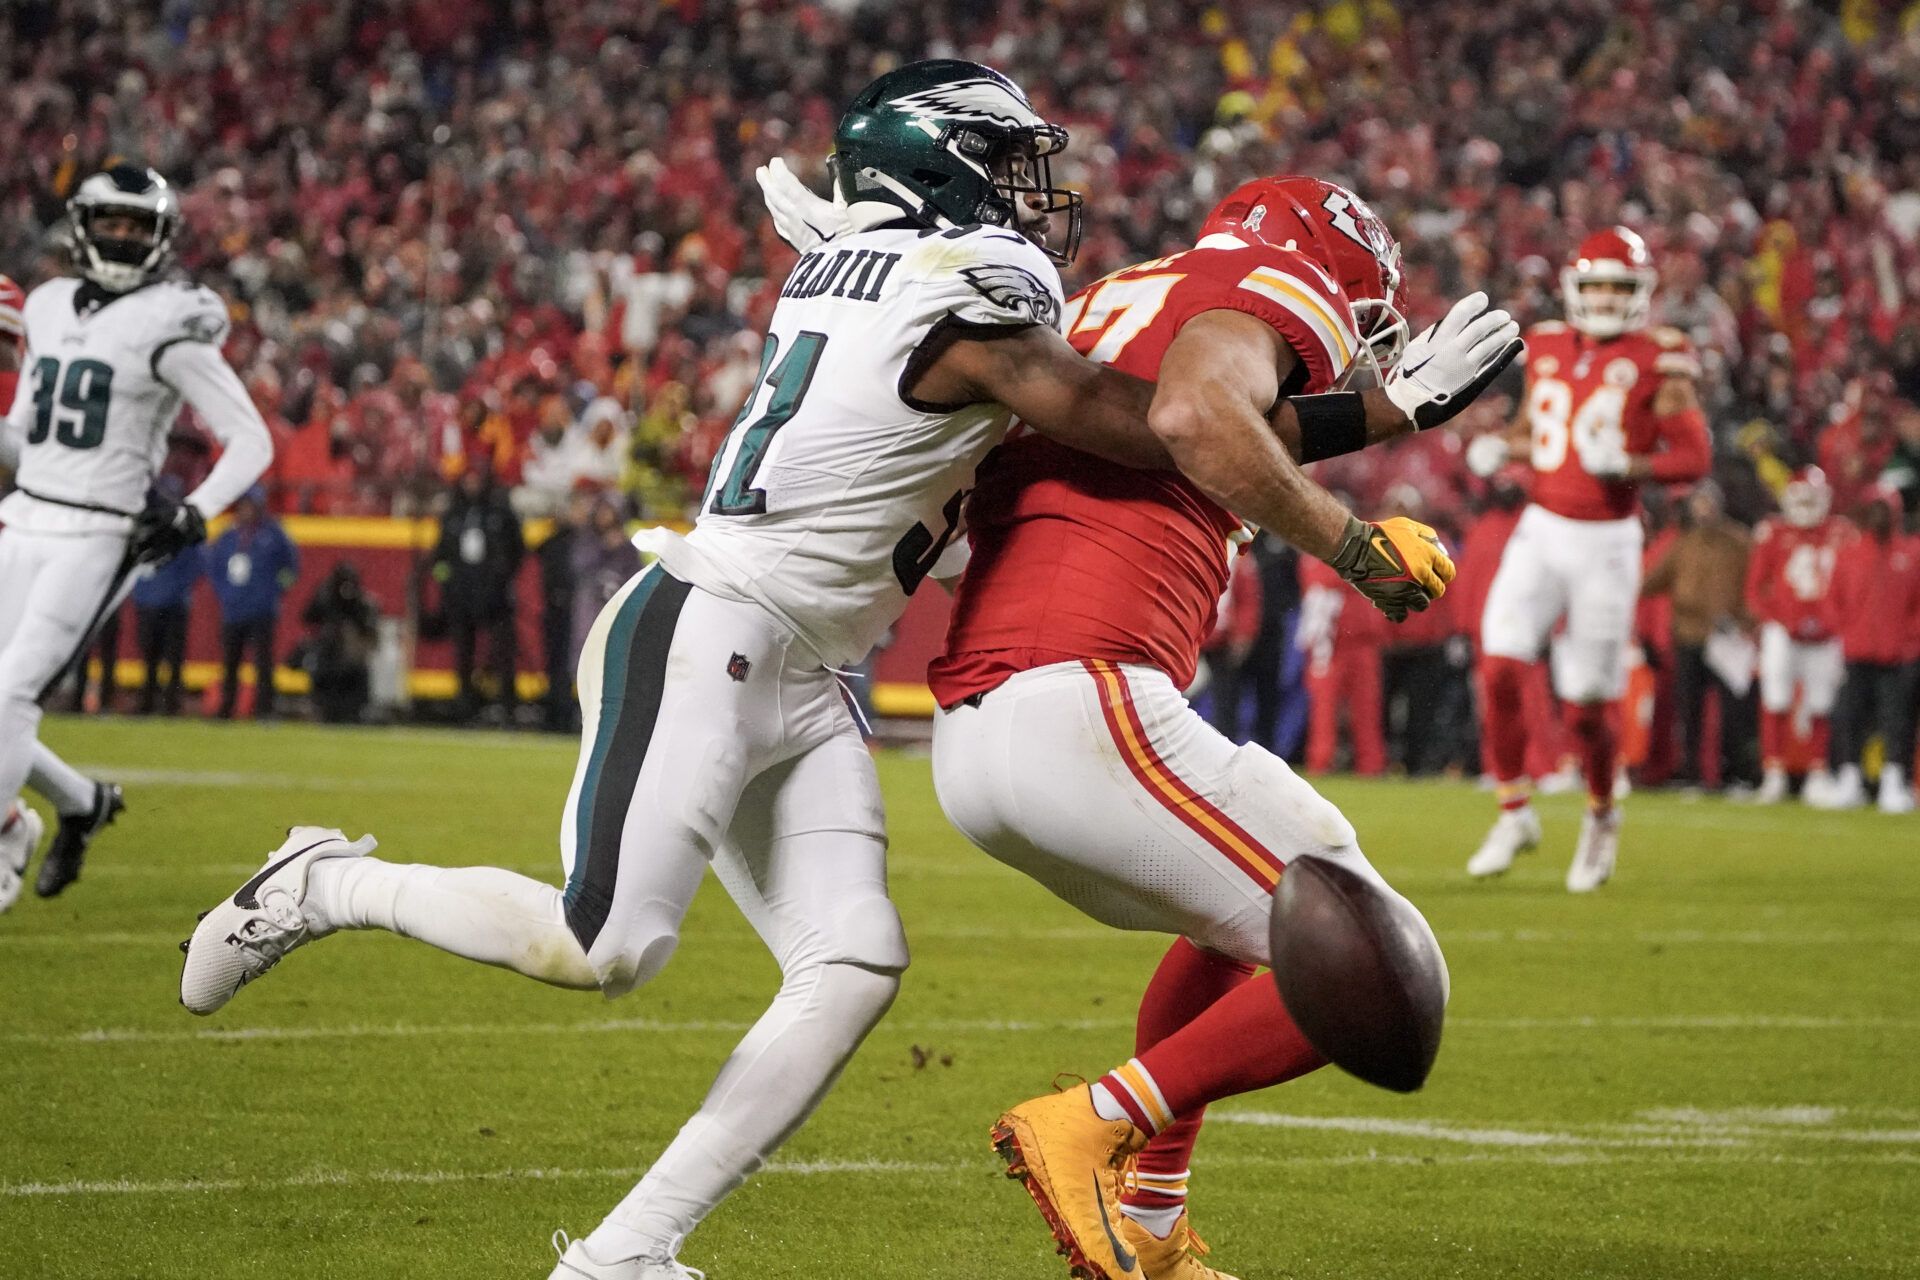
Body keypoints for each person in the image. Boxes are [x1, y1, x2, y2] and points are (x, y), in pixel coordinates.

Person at [179, 63, 1489, 1280]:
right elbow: (1149, 425)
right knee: (602, 944)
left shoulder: (891, 270)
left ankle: (624, 1254)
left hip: (806, 664)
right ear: (941, 170)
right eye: (1006, 164)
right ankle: (322, 881)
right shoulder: (963, 294)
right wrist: (1379, 419)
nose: (1035, 195)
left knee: (851, 963)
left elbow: (1101, 400)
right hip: (708, 621)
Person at [925, 174, 1518, 1280]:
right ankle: (1096, 1118)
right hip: (1083, 693)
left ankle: (1150, 1221)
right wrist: (1354, 543)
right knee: (1373, 959)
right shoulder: (1272, 281)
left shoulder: (1114, 299)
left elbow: (1189, 419)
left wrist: (1387, 412)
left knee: (1235, 926)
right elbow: (1196, 416)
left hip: (989, 731)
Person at [0, 165, 273, 901]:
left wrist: (195, 511)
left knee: (12, 693)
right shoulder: (50, 305)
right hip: (24, 512)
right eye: (110, 222)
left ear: (160, 238)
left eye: (136, 225)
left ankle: (6, 833)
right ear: (83, 227)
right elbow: (26, 440)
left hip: (100, 531)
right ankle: (83, 804)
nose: (121, 236)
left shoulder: (172, 317)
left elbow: (250, 439)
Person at [1465, 227, 1712, 891]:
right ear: (1575, 287)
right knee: (1499, 667)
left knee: (1584, 707)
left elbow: (1694, 455)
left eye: (1618, 287)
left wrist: (1632, 463)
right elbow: (1538, 431)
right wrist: (1504, 449)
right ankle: (1514, 810)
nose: (1604, 298)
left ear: (1641, 294)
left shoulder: (1660, 357)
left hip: (1607, 541)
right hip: (1541, 527)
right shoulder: (1545, 343)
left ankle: (1602, 815)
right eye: (1596, 284)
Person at [1640, 481, 1757, 791]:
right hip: (1689, 634)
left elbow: (1756, 584)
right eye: (1699, 504)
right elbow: (1653, 581)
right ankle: (1691, 773)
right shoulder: (1683, 544)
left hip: (1727, 637)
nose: (1703, 510)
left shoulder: (1739, 542)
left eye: (1708, 503)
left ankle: (1736, 774)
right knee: (1689, 710)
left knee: (1734, 710)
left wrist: (1747, 620)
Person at [1810, 486, 1920, 813]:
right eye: (1873, 509)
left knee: (1897, 721)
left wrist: (1909, 642)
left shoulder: (1913, 553)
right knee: (1848, 718)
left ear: (1895, 513)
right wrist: (1845, 633)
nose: (1878, 516)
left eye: (1884, 509)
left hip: (1897, 656)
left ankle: (1894, 781)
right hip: (1856, 653)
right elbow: (1833, 600)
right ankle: (1849, 778)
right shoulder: (1850, 554)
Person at [1745, 467, 1850, 803]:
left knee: (1821, 703)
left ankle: (1817, 773)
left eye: (1811, 497)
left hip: (1827, 633)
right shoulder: (1773, 532)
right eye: (1800, 496)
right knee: (1776, 698)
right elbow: (1755, 587)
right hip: (1782, 629)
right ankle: (1773, 772)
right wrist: (1777, 617)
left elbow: (1851, 586)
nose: (1805, 504)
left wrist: (1834, 621)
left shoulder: (1840, 533)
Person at [433, 461, 524, 722]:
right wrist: (447, 583)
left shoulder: (501, 513)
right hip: (461, 593)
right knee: (463, 653)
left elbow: (517, 549)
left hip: (494, 592)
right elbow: (441, 556)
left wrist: (502, 577)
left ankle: (507, 705)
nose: (472, 485)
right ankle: (464, 704)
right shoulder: (453, 515)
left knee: (503, 652)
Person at [206, 486, 299, 719]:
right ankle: (226, 708)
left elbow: (291, 568)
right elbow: (215, 568)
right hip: (234, 609)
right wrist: (225, 593)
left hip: (262, 609)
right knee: (230, 663)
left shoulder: (274, 534)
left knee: (263, 663)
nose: (247, 510)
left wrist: (275, 590)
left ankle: (265, 710)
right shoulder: (228, 535)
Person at [132, 521, 200, 716]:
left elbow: (196, 566)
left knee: (173, 658)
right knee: (148, 658)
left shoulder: (182, 537)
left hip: (174, 606)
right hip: (148, 605)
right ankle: (147, 702)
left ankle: (171, 704)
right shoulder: (144, 533)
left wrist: (177, 591)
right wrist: (141, 594)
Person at [299, 562, 379, 724]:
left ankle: (354, 711)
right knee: (322, 672)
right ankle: (323, 708)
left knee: (355, 675)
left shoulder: (362, 602)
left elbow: (368, 631)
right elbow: (308, 616)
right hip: (327, 653)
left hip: (350, 657)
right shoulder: (326, 597)